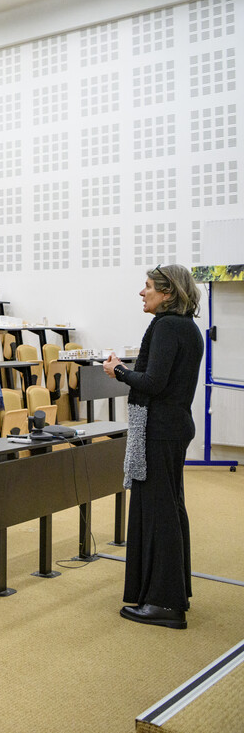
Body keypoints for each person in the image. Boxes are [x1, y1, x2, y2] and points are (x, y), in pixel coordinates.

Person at [103, 265, 203, 630]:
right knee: (171, 509)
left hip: (159, 429)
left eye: (147, 287)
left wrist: (118, 371)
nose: (141, 293)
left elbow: (153, 383)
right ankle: (173, 594)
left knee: (160, 513)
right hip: (174, 426)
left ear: (168, 292)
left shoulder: (166, 326)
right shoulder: (188, 328)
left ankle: (164, 603)